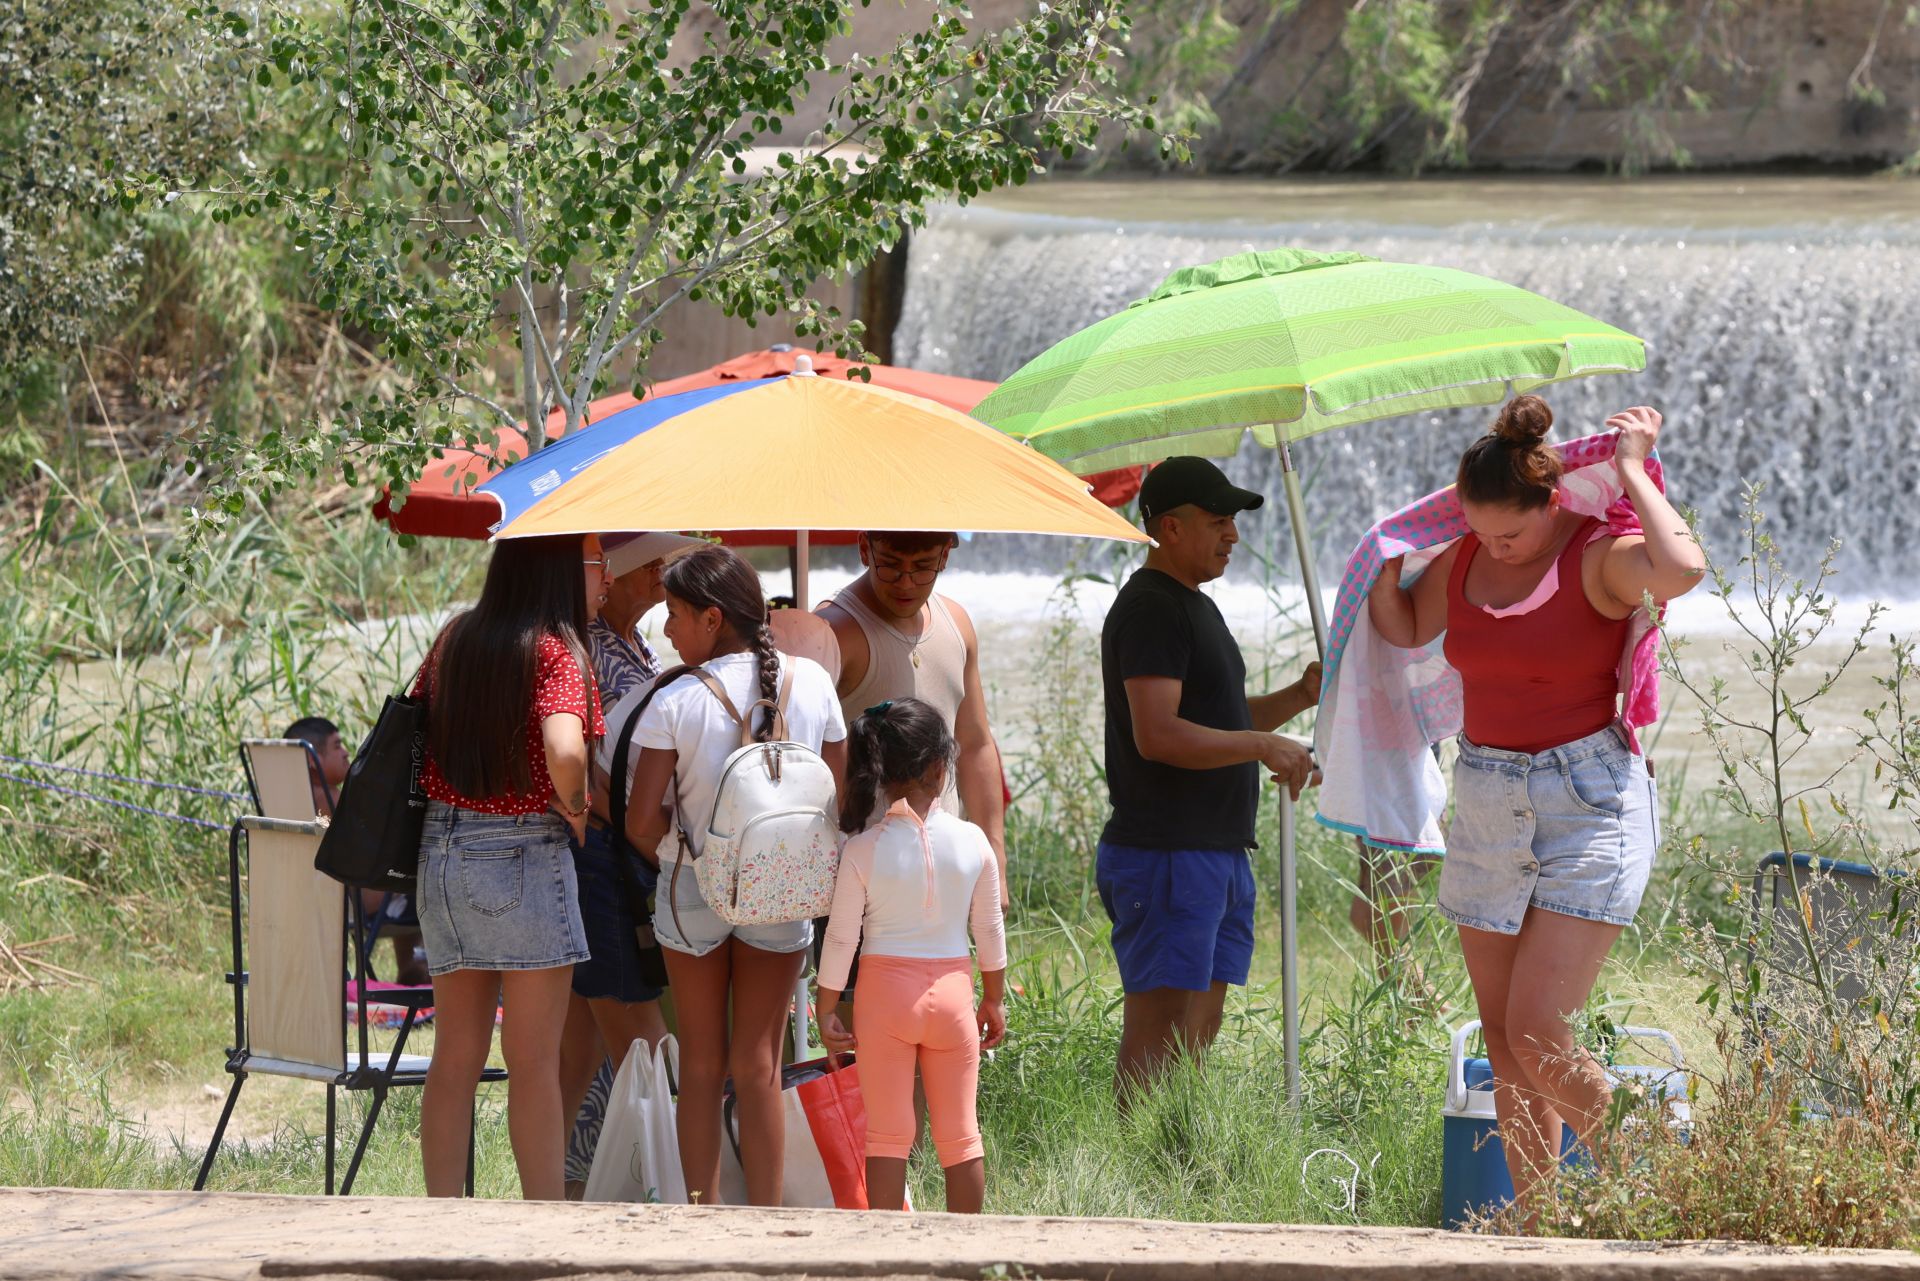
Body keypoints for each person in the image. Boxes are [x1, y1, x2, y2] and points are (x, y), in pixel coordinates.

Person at [1366, 398, 1703, 1218]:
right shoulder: (1465, 560)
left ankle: (1679, 1176)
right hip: (1484, 794)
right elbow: (1409, 623)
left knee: (1541, 1034)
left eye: (1508, 534)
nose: (1493, 547)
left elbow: (1684, 570)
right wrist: (1374, 561)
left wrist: (1631, 466)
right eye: (1478, 531)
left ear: (1552, 504)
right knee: (1505, 1039)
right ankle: (1542, 1220)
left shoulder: (1601, 555)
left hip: (1586, 800)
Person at [614, 545, 848, 1206]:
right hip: (782, 890)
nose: (666, 631)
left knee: (704, 1062)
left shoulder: (676, 700)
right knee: (760, 1064)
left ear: (712, 619)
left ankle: (701, 1218)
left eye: (675, 615)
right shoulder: (814, 683)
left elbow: (638, 821)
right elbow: (840, 798)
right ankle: (766, 1226)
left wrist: (690, 860)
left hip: (694, 893)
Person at [1098, 457, 1318, 1105]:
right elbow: (1159, 733)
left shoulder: (1196, 606)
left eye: (1234, 521)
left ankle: (1175, 1152)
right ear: (1170, 526)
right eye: (1220, 520)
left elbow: (1225, 720)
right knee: (1161, 1021)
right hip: (1166, 850)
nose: (1233, 535)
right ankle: (1136, 1172)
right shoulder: (1150, 609)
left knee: (1200, 1024)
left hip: (1214, 850)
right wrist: (1262, 746)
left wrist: (1300, 697)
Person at [411, 534, 607, 1200]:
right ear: (558, 570)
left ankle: (444, 1213)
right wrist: (576, 806)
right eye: (595, 560)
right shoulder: (553, 649)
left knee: (455, 1057)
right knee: (533, 1064)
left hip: (441, 848)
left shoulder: (454, 639)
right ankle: (543, 1221)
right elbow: (564, 746)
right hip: (525, 851)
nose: (603, 572)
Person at [817, 698, 1006, 1214]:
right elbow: (989, 929)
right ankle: (969, 1258)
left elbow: (840, 939)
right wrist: (994, 998)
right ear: (940, 768)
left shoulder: (863, 849)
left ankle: (886, 1256)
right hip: (953, 995)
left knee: (887, 1135)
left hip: (883, 1001)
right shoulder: (973, 842)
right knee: (961, 1134)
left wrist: (826, 1007)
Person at [561, 531, 702, 1196]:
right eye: (651, 562)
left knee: (576, 1048)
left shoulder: (628, 644)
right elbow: (587, 775)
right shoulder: (591, 647)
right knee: (639, 1040)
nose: (662, 572)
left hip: (604, 857)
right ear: (612, 575)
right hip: (606, 860)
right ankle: (661, 1193)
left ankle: (559, 1189)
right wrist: (650, 836)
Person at [817, 531, 1005, 898]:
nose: (905, 582)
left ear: (945, 555)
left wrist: (995, 855)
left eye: (922, 568)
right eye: (889, 565)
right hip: (861, 881)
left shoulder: (957, 622)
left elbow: (976, 744)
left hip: (945, 868)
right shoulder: (832, 632)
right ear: (863, 549)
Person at [287, 715, 429, 985]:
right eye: (337, 745)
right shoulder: (331, 798)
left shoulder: (292, 800)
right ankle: (417, 965)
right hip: (362, 904)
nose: (346, 753)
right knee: (423, 884)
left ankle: (411, 968)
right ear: (311, 758)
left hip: (314, 901)